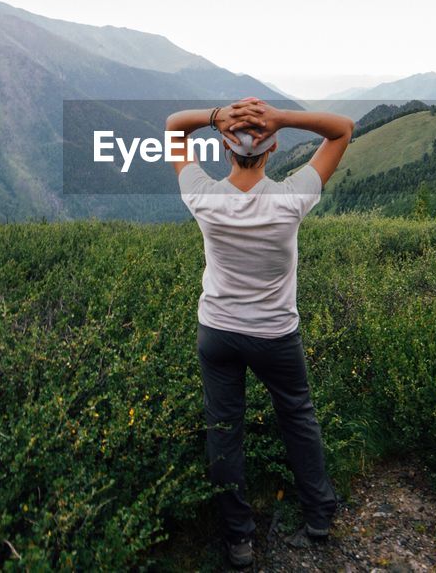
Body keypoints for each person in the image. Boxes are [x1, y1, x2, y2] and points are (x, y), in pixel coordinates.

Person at [165, 98, 354, 569]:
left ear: (228, 152)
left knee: (224, 430)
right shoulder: (291, 200)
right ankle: (319, 516)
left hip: (218, 332)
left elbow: (172, 127)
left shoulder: (204, 198)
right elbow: (342, 130)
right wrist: (283, 117)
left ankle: (239, 540)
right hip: (275, 334)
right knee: (298, 418)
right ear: (270, 152)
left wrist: (215, 117)